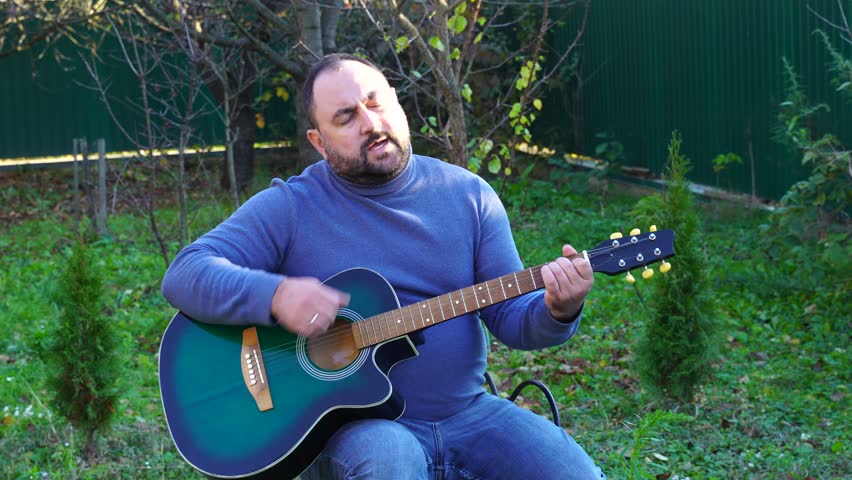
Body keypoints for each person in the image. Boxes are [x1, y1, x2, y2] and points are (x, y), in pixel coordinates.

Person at [161, 53, 605, 479]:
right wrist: (275, 296)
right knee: (390, 458)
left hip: (469, 414)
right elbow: (187, 272)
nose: (371, 124)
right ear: (318, 141)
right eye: (345, 117)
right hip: (356, 431)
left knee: (575, 473)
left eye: (375, 102)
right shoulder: (292, 207)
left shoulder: (468, 195)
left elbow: (513, 320)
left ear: (396, 100)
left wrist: (558, 308)